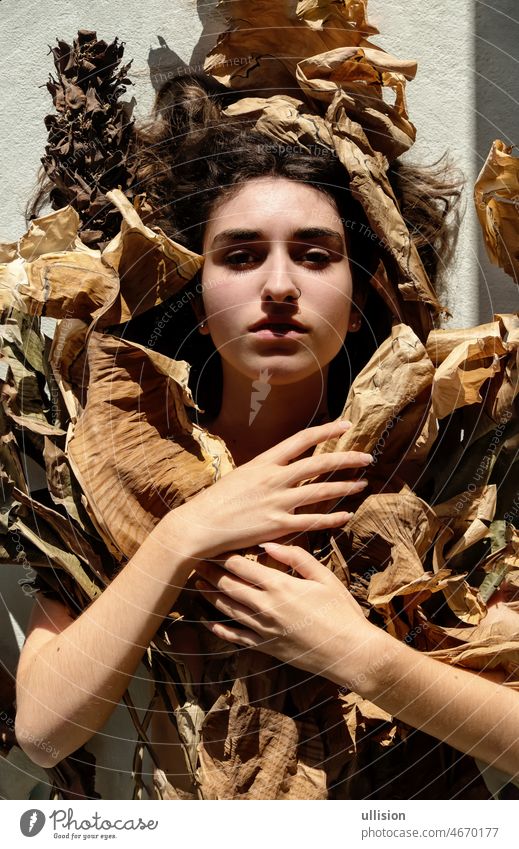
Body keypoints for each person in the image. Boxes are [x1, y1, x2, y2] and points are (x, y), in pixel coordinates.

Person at [14, 74, 519, 798]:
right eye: (241, 255)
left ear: (356, 302)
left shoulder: (437, 470)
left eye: (314, 255)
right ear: (194, 298)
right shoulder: (112, 467)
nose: (278, 285)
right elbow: (41, 728)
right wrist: (183, 533)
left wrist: (359, 655)